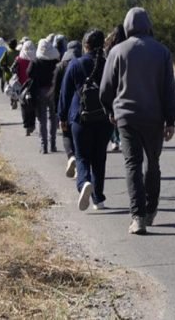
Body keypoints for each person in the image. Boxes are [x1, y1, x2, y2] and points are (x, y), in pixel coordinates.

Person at [100, 7, 175, 235]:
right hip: (154, 118)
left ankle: (138, 217)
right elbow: (169, 89)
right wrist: (170, 119)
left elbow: (106, 87)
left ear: (127, 26)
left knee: (132, 164)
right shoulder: (162, 52)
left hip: (126, 118)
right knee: (152, 164)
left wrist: (110, 109)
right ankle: (151, 209)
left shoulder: (117, 51)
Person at [59, 30, 113, 211]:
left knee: (82, 157)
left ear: (85, 45)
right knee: (99, 158)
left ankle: (84, 184)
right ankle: (99, 199)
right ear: (102, 46)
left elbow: (65, 94)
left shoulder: (75, 64)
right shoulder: (109, 64)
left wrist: (62, 117)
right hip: (104, 118)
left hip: (79, 118)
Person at [52, 40, 82, 177]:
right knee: (80, 135)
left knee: (66, 134)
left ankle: (71, 156)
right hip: (80, 106)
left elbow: (56, 90)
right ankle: (79, 168)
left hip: (64, 105)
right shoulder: (82, 64)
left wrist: (56, 111)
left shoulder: (60, 66)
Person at [28, 38, 60, 153]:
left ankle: (44, 146)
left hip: (40, 92)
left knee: (42, 120)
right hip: (53, 91)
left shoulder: (36, 61)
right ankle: (53, 145)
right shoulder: (55, 61)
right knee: (53, 118)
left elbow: (29, 73)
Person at [103, 25, 127, 152]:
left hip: (113, 83)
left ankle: (114, 140)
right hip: (124, 84)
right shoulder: (128, 47)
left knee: (113, 113)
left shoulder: (110, 49)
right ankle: (122, 139)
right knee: (122, 112)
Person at [16, 39, 36, 135]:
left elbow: (14, 71)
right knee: (32, 106)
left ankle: (26, 126)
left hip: (21, 86)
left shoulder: (18, 59)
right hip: (33, 85)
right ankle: (32, 125)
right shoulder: (36, 58)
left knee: (23, 106)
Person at [0, 39, 20, 108]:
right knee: (17, 87)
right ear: (16, 45)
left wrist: (5, 68)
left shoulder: (7, 52)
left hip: (9, 74)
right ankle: (16, 99)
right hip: (18, 74)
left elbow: (0, 63)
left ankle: (12, 101)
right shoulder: (19, 53)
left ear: (9, 45)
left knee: (10, 88)